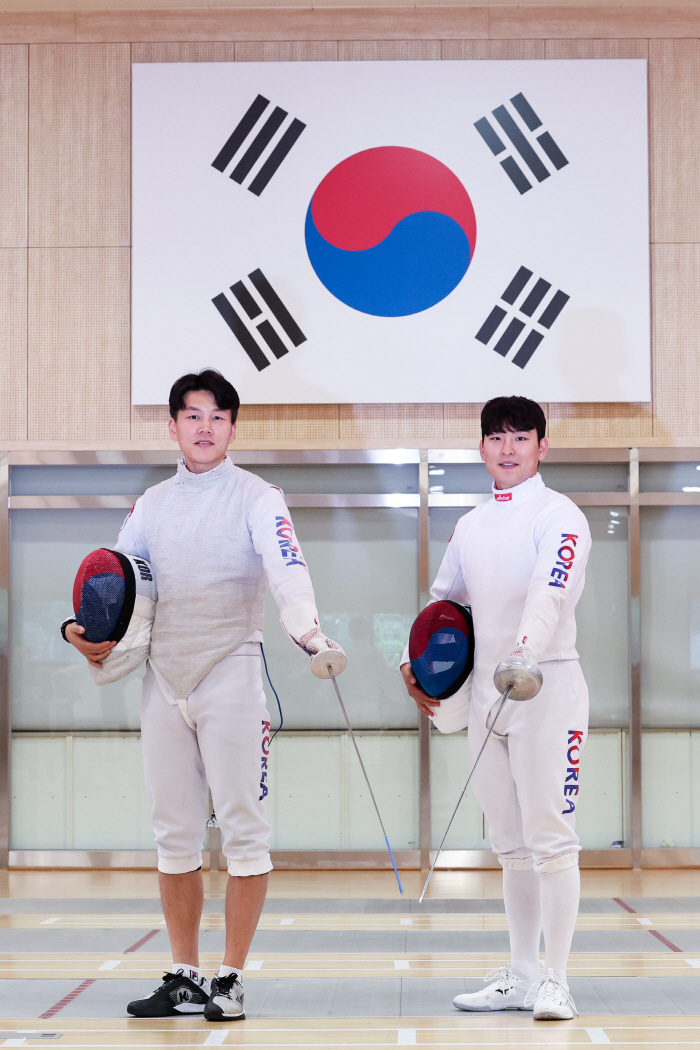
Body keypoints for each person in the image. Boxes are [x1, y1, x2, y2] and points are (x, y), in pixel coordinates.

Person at [63, 369, 343, 1022]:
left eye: (217, 417)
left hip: (232, 673)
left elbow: (287, 569)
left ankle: (231, 978)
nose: (205, 427)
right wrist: (85, 634)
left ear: (232, 428)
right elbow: (116, 584)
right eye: (193, 416)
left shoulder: (257, 496)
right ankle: (186, 974)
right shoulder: (152, 505)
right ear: (173, 426)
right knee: (174, 836)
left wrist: (308, 631)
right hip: (165, 679)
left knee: (245, 832)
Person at [401, 396, 591, 1022]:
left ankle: (557, 980)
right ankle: (522, 973)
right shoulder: (472, 525)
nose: (507, 447)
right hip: (486, 696)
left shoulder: (560, 516)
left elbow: (549, 593)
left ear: (542, 445)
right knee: (510, 845)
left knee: (551, 841)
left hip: (547, 689)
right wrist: (419, 667)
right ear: (481, 447)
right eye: (496, 436)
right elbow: (444, 610)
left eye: (520, 436)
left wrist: (523, 655)